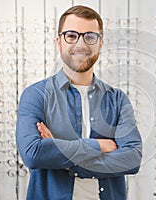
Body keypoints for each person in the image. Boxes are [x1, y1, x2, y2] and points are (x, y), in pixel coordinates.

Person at [16, 5, 142, 200]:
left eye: (90, 36)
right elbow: (33, 154)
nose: (81, 44)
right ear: (59, 42)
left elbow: (132, 160)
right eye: (72, 36)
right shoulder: (36, 95)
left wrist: (61, 155)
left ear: (100, 43)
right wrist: (98, 146)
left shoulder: (117, 99)